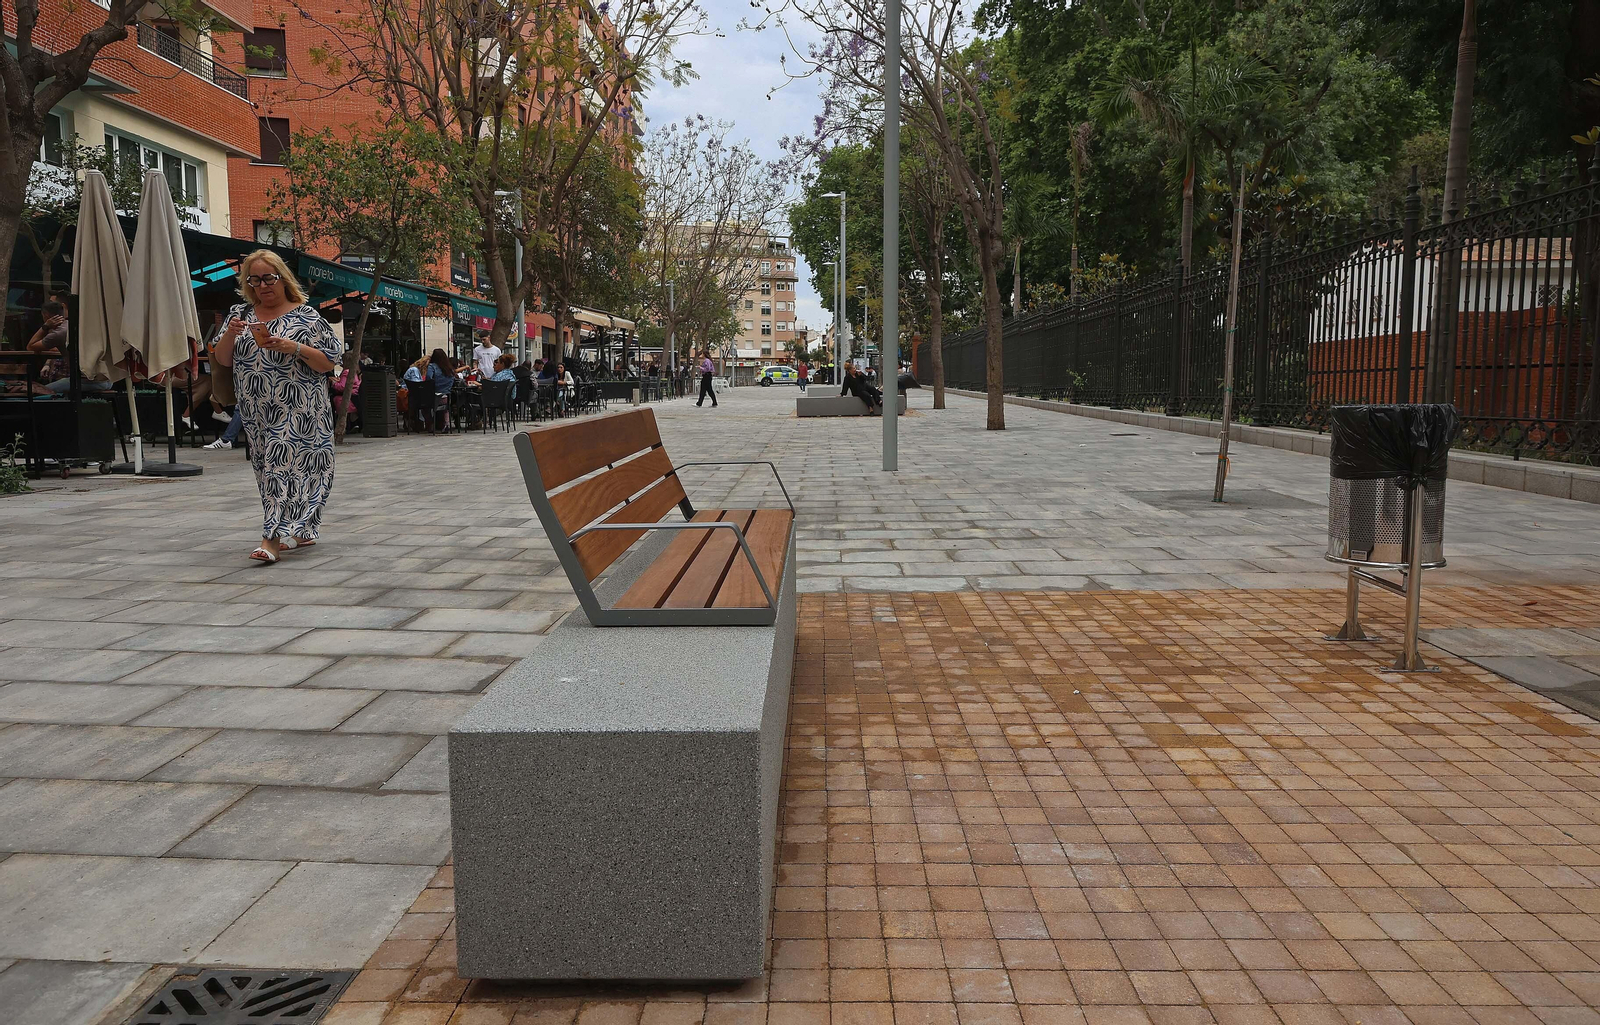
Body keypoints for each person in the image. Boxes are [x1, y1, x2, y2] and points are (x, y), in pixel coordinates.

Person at [212, 250, 343, 565]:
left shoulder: (307, 317)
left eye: (269, 278)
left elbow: (329, 363)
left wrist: (293, 347)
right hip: (256, 410)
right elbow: (222, 359)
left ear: (283, 279)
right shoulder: (240, 314)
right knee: (268, 469)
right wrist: (230, 334)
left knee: (279, 466)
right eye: (254, 280)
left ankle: (270, 539)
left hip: (300, 408)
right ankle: (303, 530)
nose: (263, 286)